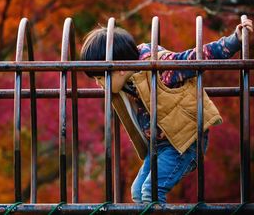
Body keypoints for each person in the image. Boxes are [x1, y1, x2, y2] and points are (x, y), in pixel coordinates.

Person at [80, 17, 253, 203]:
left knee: (151, 191)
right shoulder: (124, 83)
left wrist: (234, 40)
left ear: (120, 67)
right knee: (138, 192)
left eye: (100, 78)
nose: (99, 85)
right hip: (160, 145)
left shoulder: (160, 67)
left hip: (185, 142)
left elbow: (197, 57)